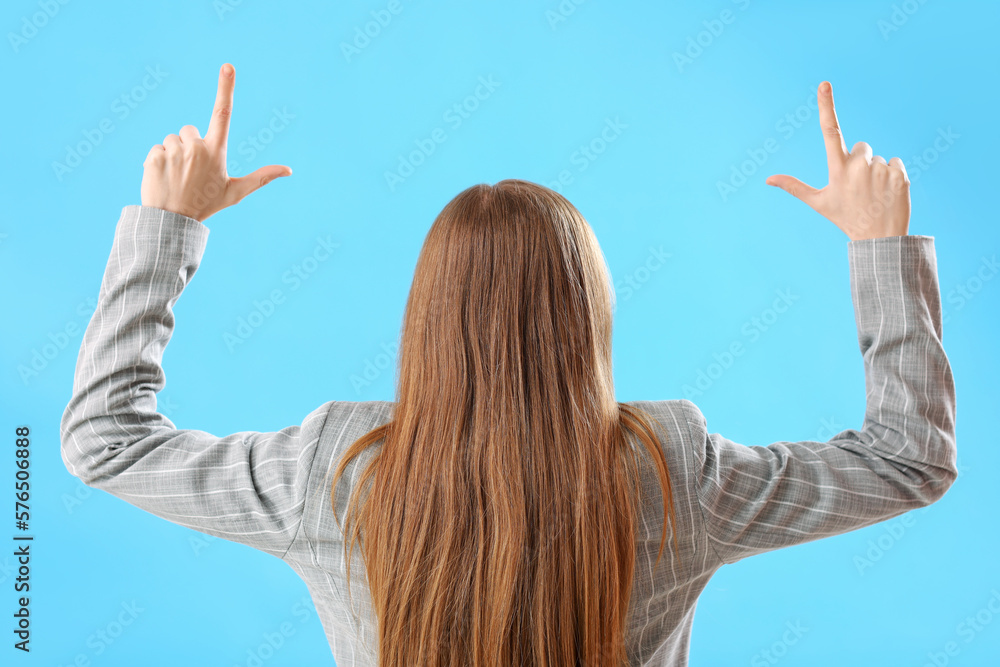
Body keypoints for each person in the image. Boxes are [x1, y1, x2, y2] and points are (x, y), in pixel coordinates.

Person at [60, 64, 957, 666]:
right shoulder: (676, 471)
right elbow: (909, 459)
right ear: (590, 320)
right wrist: (881, 246)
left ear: (426, 320)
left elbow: (104, 439)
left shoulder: (331, 473)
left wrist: (170, 226)